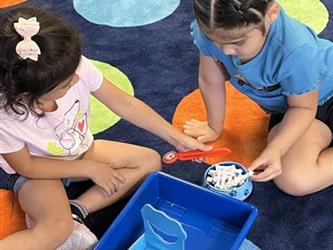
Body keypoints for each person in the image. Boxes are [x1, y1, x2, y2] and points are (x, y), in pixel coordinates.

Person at [0, 7, 212, 250]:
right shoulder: (6, 117)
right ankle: (63, 220)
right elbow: (26, 166)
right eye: (66, 85)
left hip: (79, 150)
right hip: (36, 171)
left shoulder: (72, 66)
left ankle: (76, 209)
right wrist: (88, 168)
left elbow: (126, 104)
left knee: (149, 162)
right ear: (27, 97)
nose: (78, 80)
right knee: (56, 229)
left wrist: (176, 137)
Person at [185, 0, 333, 196]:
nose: (226, 51)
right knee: (295, 179)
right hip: (295, 108)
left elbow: (303, 108)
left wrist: (278, 149)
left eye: (238, 42)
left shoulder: (297, 49)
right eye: (216, 42)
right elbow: (211, 80)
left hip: (313, 99)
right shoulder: (213, 28)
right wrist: (214, 126)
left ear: (271, 14)